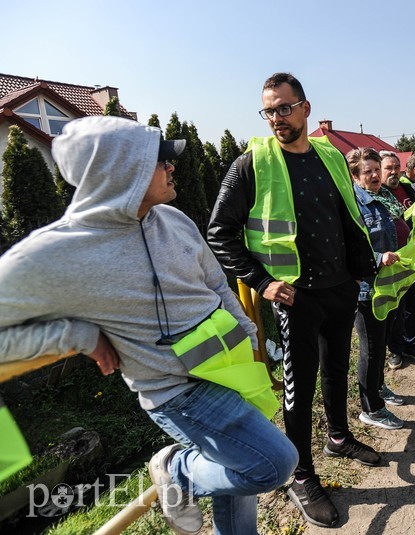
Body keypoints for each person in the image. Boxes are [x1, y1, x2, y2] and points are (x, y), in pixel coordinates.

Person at [0, 116, 299, 535]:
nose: (172, 167)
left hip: (232, 368)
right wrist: (78, 336)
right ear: (124, 170)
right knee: (273, 463)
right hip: (177, 391)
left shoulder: (173, 219)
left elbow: (215, 283)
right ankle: (177, 471)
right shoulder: (58, 251)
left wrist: (248, 337)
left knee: (238, 480)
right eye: (161, 161)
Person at [207, 72, 379, 528]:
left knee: (337, 368)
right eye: (269, 110)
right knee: (298, 389)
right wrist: (261, 282)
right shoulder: (252, 163)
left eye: (285, 108)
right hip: (295, 297)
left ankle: (339, 437)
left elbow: (348, 212)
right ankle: (302, 474)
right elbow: (219, 234)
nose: (277, 118)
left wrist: (360, 268)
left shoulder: (330, 154)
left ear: (305, 108)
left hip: (340, 288)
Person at [347, 147, 407, 430]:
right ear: (355, 175)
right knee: (370, 347)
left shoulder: (381, 198)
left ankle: (379, 387)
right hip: (366, 289)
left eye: (375, 169)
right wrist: (377, 258)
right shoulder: (354, 204)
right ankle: (371, 409)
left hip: (385, 285)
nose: (373, 175)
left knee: (380, 342)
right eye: (367, 171)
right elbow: (348, 247)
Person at [380, 151, 415, 369]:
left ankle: (410, 344)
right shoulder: (379, 195)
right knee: (396, 310)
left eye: (395, 167)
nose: (393, 172)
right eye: (388, 168)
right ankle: (395, 350)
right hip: (394, 264)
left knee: (414, 306)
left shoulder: (408, 189)